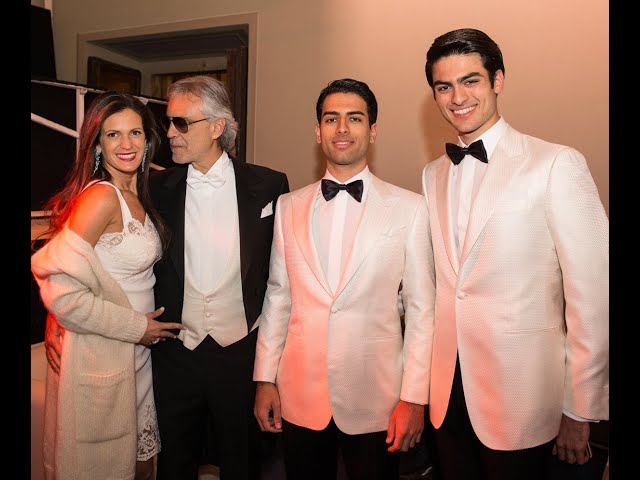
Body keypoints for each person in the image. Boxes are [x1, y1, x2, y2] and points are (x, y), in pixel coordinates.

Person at [420, 28, 609, 480]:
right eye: (444, 86)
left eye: (471, 81)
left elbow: (594, 295)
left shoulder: (556, 164)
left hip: (524, 400)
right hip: (447, 396)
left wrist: (580, 408)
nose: (457, 97)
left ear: (498, 80)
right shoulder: (432, 175)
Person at [253, 78, 436, 480]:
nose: (341, 128)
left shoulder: (411, 209)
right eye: (331, 118)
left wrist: (414, 398)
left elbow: (423, 314)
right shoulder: (287, 206)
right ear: (317, 130)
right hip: (300, 396)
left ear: (372, 131)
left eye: (354, 118)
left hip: (379, 400)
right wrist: (264, 378)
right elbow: (278, 297)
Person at [31, 91, 185, 480]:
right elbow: (61, 289)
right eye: (113, 135)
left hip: (135, 358)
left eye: (135, 132)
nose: (127, 144)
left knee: (142, 466)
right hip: (102, 353)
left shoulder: (139, 193)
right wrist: (139, 328)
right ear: (96, 144)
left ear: (149, 141)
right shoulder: (101, 197)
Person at [149, 75, 290, 479]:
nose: (170, 133)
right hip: (177, 352)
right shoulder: (156, 188)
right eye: (169, 122)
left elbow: (282, 276)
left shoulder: (269, 185)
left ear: (216, 127)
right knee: (174, 463)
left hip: (240, 353)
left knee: (242, 461)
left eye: (181, 123)